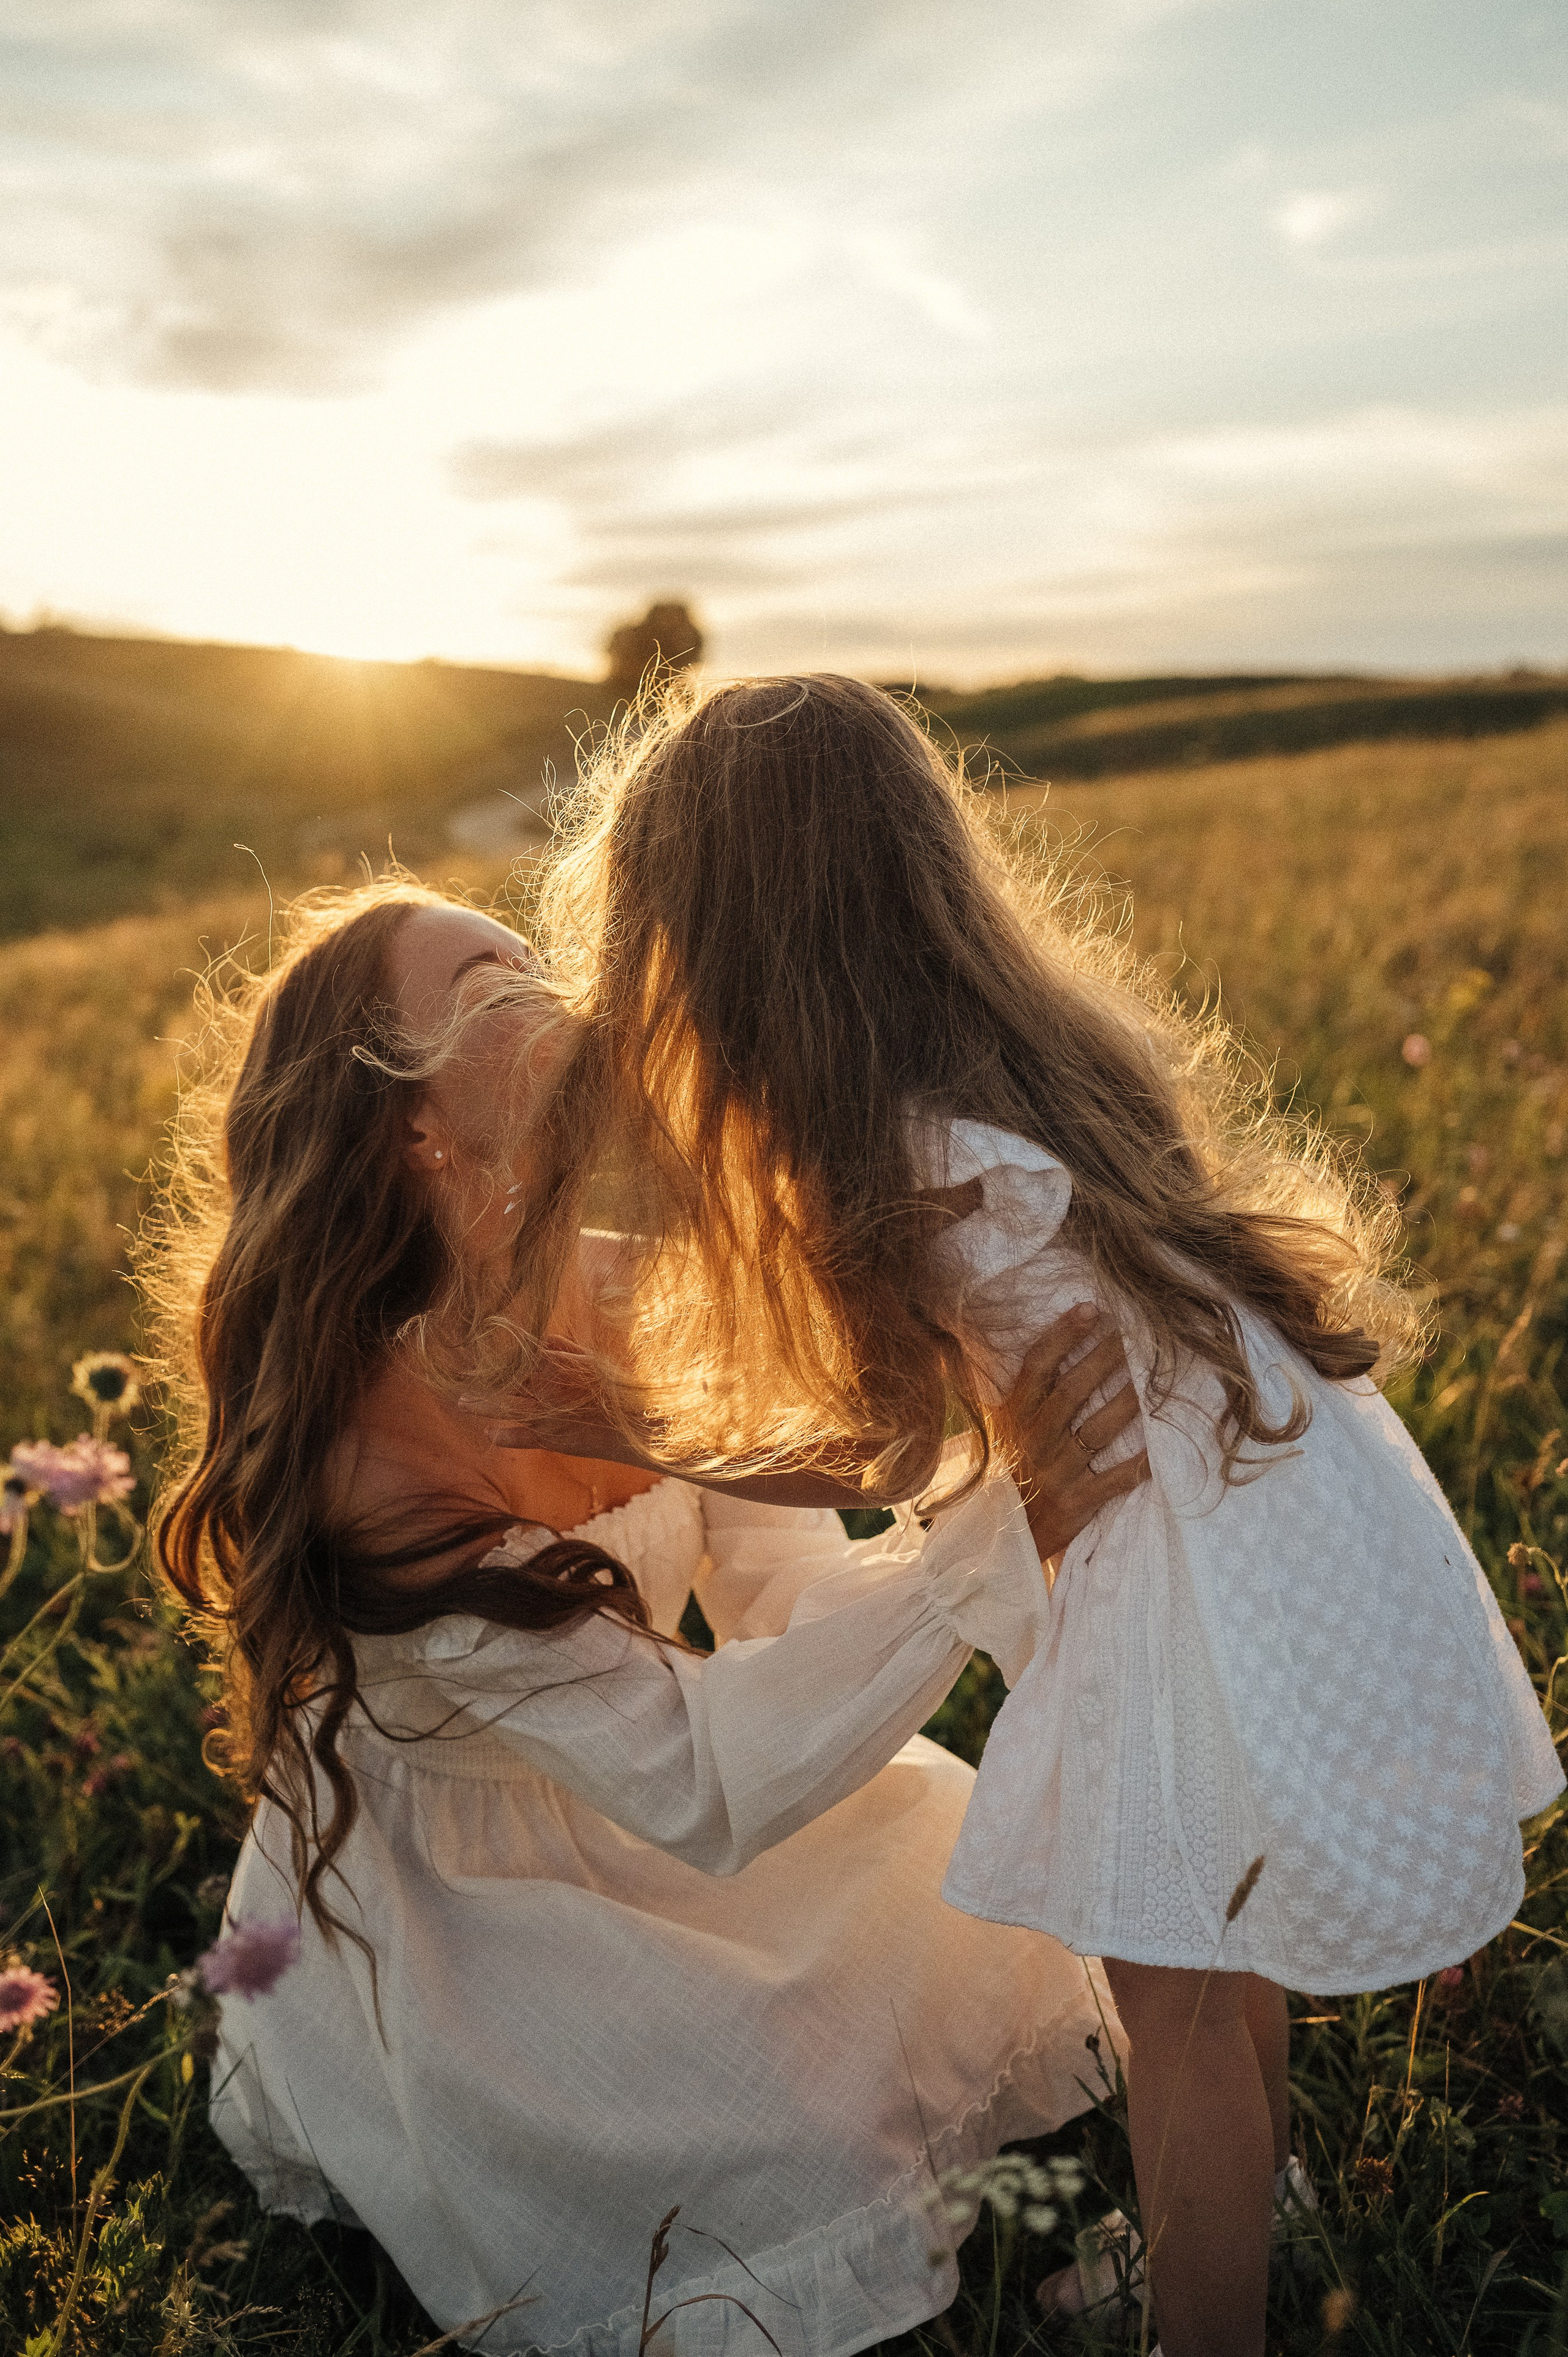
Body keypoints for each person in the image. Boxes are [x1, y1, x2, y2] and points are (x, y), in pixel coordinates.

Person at [497, 673, 1565, 2357]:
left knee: (1174, 2004)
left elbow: (878, 1446)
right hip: (1272, 1507)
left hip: (1174, 1563)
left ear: (732, 954)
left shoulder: (901, 1153)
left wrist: (622, 1416)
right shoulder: (1026, 1066)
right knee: (1226, 1933)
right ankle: (1238, 2230)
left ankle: (1200, 2324)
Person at [144, 878, 1146, 2357]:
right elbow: (688, 1778)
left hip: (678, 1786)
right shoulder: (367, 1450)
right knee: (773, 2136)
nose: (555, 1000)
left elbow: (776, 1570)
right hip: (479, 1907)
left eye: (533, 963)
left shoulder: (615, 1287)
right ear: (407, 1121)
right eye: (492, 992)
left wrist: (948, 1552)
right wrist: (985, 1537)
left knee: (976, 1888)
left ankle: (1101, 2221)